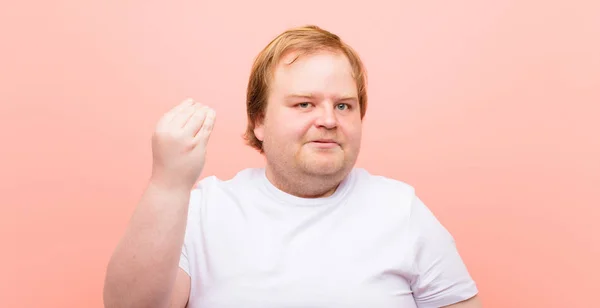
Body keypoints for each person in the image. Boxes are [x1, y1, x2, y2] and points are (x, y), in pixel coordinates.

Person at [103, 25, 482, 308]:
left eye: (344, 105)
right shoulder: (204, 211)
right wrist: (168, 183)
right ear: (259, 120)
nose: (329, 120)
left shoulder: (403, 210)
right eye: (304, 104)